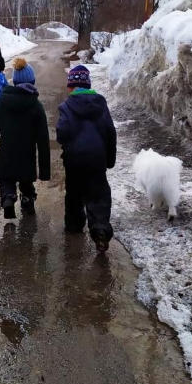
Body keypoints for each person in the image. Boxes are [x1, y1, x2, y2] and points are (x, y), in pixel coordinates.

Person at [0, 57, 51, 219]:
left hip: (6, 154)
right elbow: (43, 140)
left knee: (6, 180)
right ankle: (27, 200)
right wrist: (45, 172)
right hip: (27, 155)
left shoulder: (2, 102)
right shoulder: (36, 106)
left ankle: (8, 198)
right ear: (33, 82)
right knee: (26, 182)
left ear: (14, 81)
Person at [56, 65, 117, 252]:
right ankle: (99, 228)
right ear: (88, 84)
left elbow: (62, 133)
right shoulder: (101, 104)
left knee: (74, 193)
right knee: (98, 194)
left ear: (70, 87)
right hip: (97, 159)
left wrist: (65, 138)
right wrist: (110, 159)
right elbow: (110, 133)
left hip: (74, 160)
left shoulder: (66, 106)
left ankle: (74, 225)